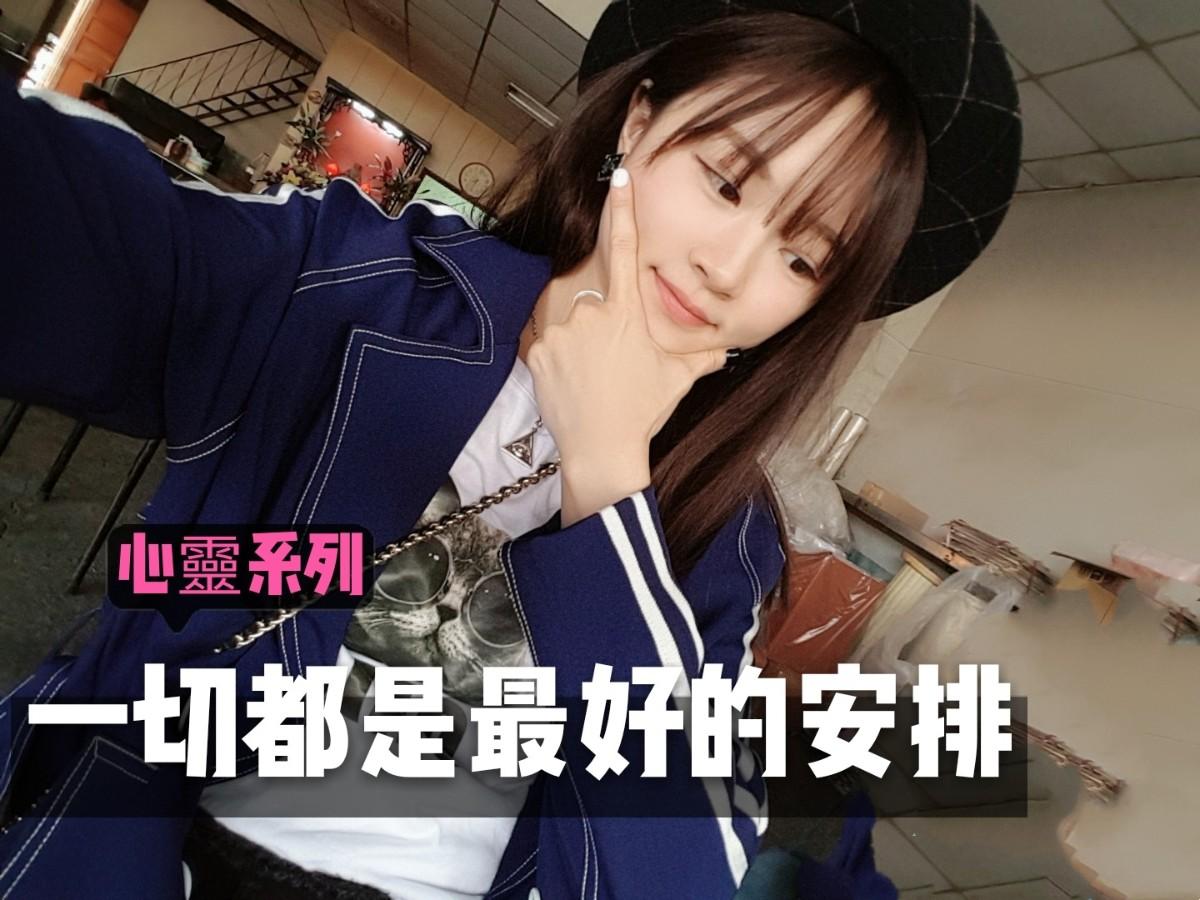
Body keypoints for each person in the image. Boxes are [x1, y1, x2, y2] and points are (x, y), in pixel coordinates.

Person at [0, 0, 1021, 897]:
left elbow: (672, 873)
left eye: (802, 257)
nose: (730, 267)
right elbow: (79, 237)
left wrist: (609, 477)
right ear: (639, 124)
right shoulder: (357, 288)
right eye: (725, 182)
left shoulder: (728, 539)